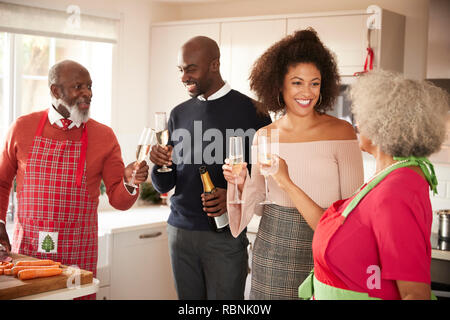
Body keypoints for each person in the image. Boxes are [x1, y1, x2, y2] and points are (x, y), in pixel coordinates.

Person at [269, 70, 449, 300]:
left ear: (383, 127)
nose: (357, 123)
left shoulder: (395, 191)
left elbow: (415, 295)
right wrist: (285, 182)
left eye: (363, 117)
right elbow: (329, 225)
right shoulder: (388, 178)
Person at [222, 28, 364, 299]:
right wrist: (241, 184)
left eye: (315, 83)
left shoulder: (342, 132)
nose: (307, 92)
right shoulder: (265, 135)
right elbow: (261, 205)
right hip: (272, 251)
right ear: (279, 85)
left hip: (323, 249)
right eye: (297, 82)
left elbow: (351, 213)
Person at [0, 60, 149, 299]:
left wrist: (130, 182)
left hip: (77, 255)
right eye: (78, 86)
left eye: (89, 86)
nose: (87, 93)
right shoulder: (21, 128)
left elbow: (119, 200)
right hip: (28, 255)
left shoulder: (104, 136)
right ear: (55, 90)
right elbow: (2, 182)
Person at [150, 36, 271, 300]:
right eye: (180, 70)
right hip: (179, 233)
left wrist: (231, 195)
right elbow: (164, 185)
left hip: (225, 235)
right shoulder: (178, 114)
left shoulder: (254, 113)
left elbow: (267, 181)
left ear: (214, 64)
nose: (184, 77)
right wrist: (159, 164)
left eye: (191, 68)